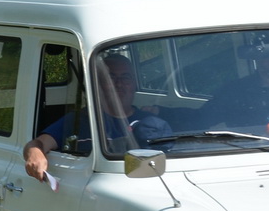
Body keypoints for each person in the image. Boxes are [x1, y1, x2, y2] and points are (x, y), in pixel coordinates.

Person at [23, 54, 171, 182]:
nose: (119, 84)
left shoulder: (153, 123)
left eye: (125, 78)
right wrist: (35, 154)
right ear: (98, 84)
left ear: (134, 84)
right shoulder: (79, 120)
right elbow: (37, 143)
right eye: (111, 77)